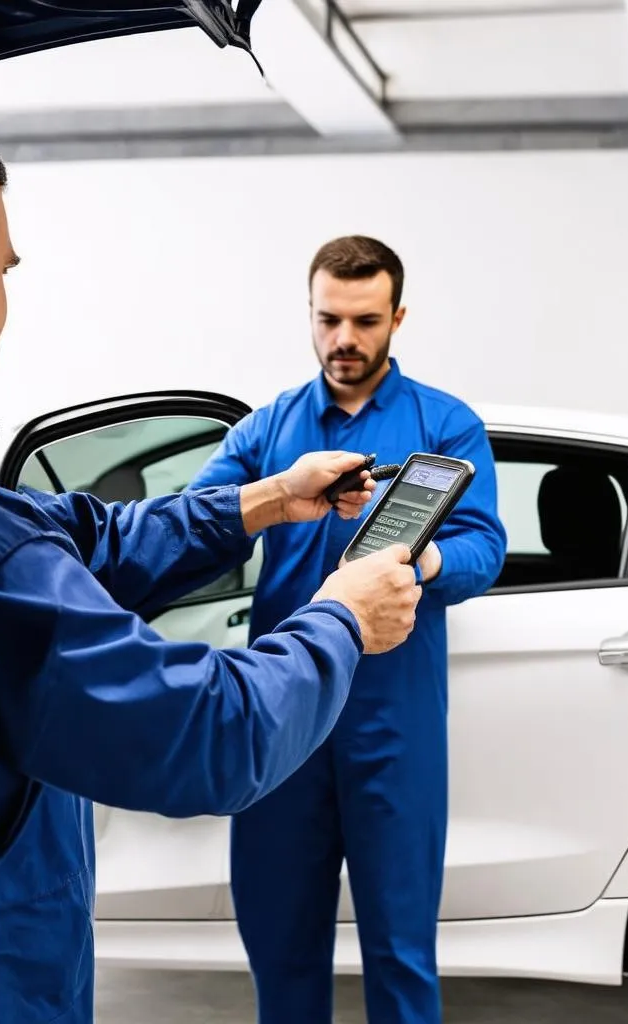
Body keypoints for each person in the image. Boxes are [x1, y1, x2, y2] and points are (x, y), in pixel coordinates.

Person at [0, 87, 424, 1024]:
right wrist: (345, 616)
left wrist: (263, 501)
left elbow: (74, 535)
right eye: (4, 267)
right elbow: (214, 736)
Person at [188, 235, 508, 1023]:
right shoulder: (270, 430)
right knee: (279, 948)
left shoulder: (447, 424)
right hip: (285, 718)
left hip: (393, 723)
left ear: (397, 317)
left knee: (400, 953)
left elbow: (486, 545)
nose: (344, 340)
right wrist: (265, 499)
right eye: (329, 319)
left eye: (365, 321)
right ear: (309, 314)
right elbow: (198, 521)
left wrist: (421, 562)